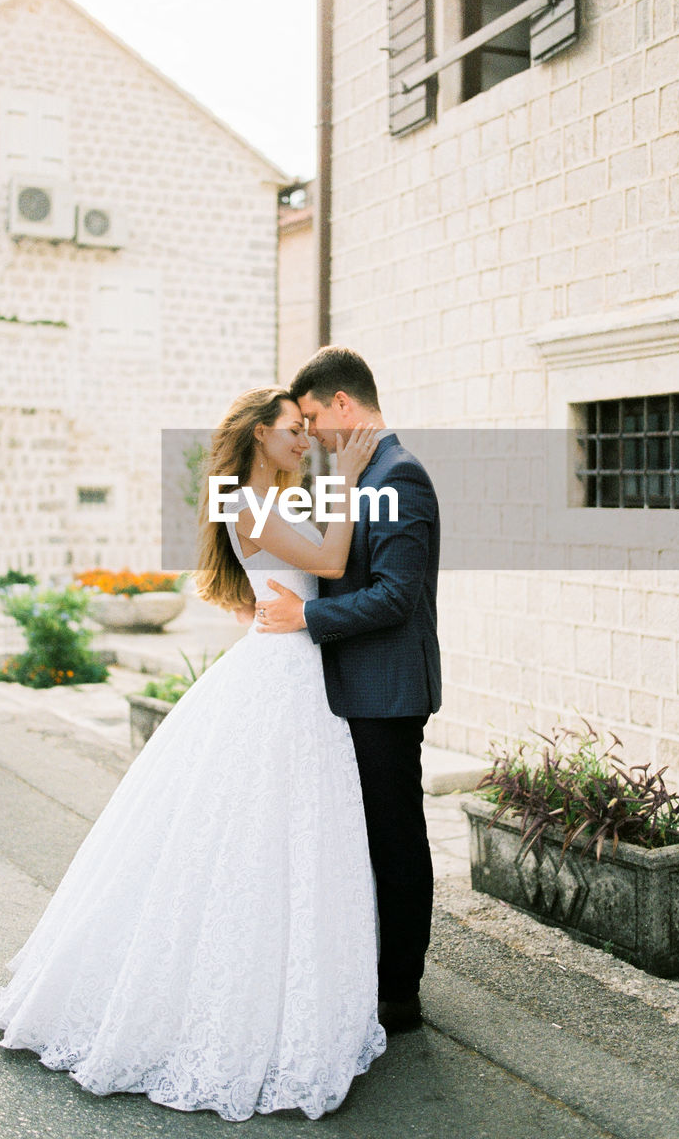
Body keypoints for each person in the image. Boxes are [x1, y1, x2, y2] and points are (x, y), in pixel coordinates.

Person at [0, 387, 386, 1122]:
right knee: (251, 835)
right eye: (295, 431)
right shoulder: (248, 505)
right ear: (260, 435)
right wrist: (350, 479)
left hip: (286, 669)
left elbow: (263, 597)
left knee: (286, 838)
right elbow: (330, 561)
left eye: (309, 430)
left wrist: (288, 593)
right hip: (280, 680)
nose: (306, 440)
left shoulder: (275, 504)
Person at [255, 347, 441, 1035]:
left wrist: (306, 615)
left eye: (312, 418)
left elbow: (394, 596)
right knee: (354, 839)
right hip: (342, 689)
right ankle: (361, 969)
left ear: (342, 405)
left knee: (396, 841)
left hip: (386, 691)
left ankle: (401, 991)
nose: (310, 435)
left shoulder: (401, 476)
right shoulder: (356, 475)